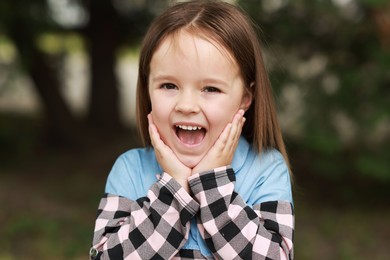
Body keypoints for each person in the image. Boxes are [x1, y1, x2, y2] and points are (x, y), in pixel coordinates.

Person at [90, 1, 294, 259]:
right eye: (168, 86)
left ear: (245, 96)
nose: (187, 106)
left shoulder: (265, 170)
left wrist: (211, 186)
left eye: (210, 89)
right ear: (147, 89)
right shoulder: (130, 170)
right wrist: (174, 190)